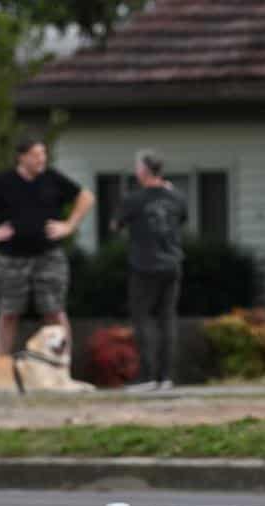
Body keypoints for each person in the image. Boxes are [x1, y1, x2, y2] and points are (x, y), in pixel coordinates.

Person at [0, 136, 95, 356]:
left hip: (49, 256)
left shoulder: (52, 179)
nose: (41, 159)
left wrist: (69, 225)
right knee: (8, 314)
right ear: (21, 157)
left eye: (43, 154)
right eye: (35, 155)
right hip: (12, 258)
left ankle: (62, 367)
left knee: (54, 311)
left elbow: (86, 197)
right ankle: (2, 368)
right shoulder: (5, 182)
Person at [111, 149, 188, 391]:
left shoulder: (134, 199)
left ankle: (147, 377)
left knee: (142, 320)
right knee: (167, 319)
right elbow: (183, 219)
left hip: (144, 266)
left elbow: (115, 225)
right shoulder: (177, 197)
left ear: (143, 171)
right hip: (172, 264)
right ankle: (166, 377)